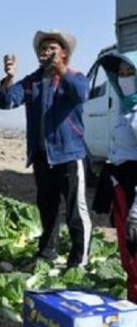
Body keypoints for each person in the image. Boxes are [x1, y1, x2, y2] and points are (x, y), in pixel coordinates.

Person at [0, 30, 91, 268]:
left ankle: (79, 261)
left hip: (69, 156)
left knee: (75, 212)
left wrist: (60, 70)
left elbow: (82, 94)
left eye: (52, 49)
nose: (45, 52)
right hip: (42, 158)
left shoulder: (75, 77)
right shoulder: (32, 82)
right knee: (47, 210)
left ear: (64, 53)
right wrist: (8, 78)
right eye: (43, 49)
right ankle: (47, 254)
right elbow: (5, 102)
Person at [92, 52, 137, 300]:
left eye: (130, 73)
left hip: (133, 188)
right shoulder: (126, 109)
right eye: (120, 74)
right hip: (121, 186)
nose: (124, 79)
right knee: (127, 253)